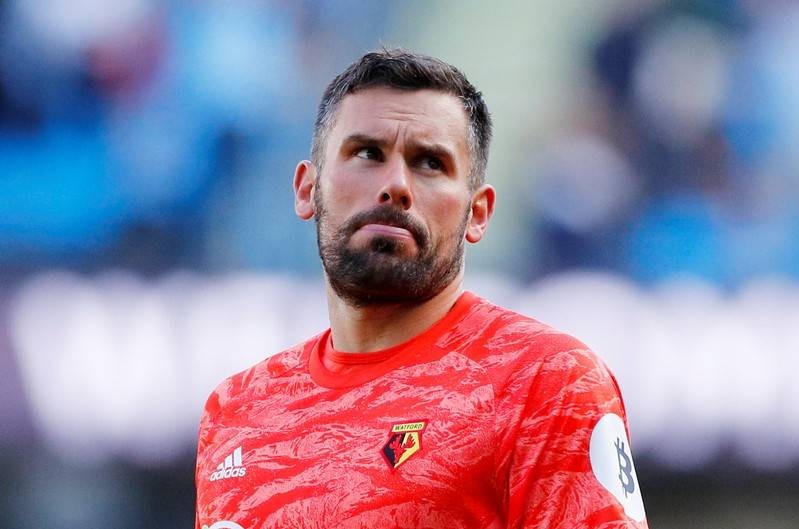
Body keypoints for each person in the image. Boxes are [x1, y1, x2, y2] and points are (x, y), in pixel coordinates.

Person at [195, 48, 648, 529]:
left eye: (429, 163)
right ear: (308, 189)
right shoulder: (237, 409)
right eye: (367, 153)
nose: (395, 185)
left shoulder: (543, 381)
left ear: (478, 214)